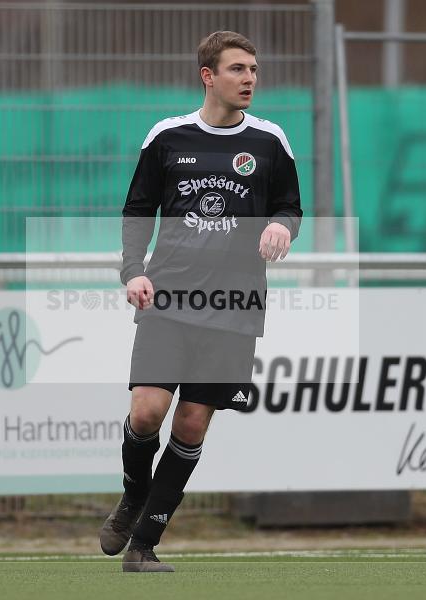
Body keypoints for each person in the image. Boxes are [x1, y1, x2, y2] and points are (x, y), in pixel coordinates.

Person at [100, 30, 302, 573]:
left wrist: (282, 227)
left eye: (254, 70)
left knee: (190, 425)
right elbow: (138, 209)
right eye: (238, 70)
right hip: (168, 297)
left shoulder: (269, 140)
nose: (250, 80)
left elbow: (290, 205)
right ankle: (133, 493)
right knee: (147, 412)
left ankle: (143, 546)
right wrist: (132, 272)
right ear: (208, 76)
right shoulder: (167, 136)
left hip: (234, 304)